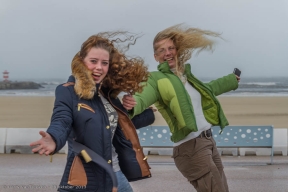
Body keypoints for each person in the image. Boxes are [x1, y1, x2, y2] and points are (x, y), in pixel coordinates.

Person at [30, 32, 155, 192]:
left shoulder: (109, 95)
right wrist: (54, 138)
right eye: (93, 61)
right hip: (86, 178)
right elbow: (62, 120)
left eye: (104, 63)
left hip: (116, 174)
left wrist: (138, 112)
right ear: (82, 62)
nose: (99, 67)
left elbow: (117, 128)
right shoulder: (68, 92)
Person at [122, 24, 240, 192]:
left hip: (208, 142)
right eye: (162, 50)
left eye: (171, 48)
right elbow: (143, 96)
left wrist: (231, 80)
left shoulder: (186, 77)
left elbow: (208, 90)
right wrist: (133, 104)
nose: (167, 53)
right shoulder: (155, 79)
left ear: (177, 50)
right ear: (156, 57)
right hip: (190, 147)